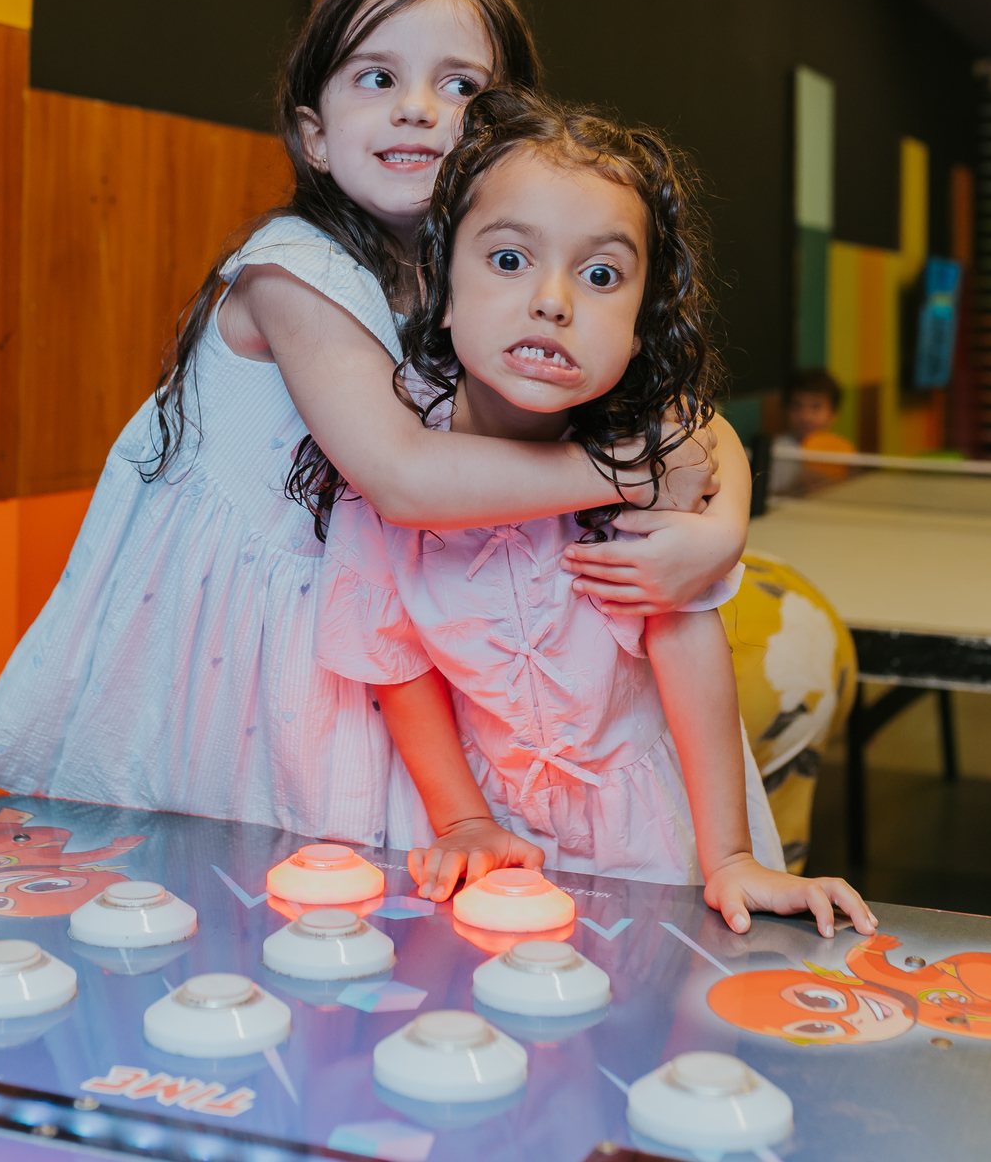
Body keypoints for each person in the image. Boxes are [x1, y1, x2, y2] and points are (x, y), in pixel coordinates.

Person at [0, 0, 745, 840]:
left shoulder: (481, 283)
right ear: (314, 133)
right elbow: (403, 479)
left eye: (461, 87)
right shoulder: (297, 272)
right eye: (377, 77)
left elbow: (682, 417)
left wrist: (719, 528)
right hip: (257, 653)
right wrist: (627, 471)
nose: (417, 107)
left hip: (387, 640)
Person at [312, 90, 876, 938]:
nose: (553, 301)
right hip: (479, 825)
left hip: (649, 833)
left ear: (642, 326)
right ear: (443, 286)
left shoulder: (651, 469)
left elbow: (690, 647)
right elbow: (397, 660)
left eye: (601, 275)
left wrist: (727, 857)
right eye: (508, 261)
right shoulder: (392, 463)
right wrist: (463, 819)